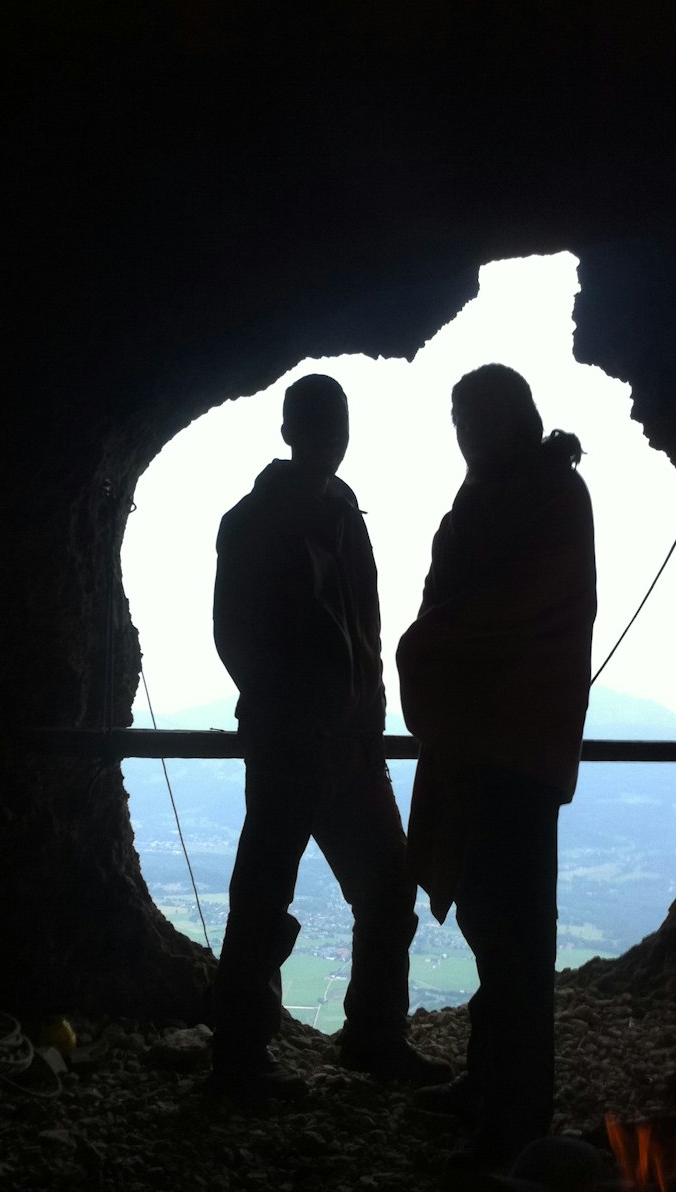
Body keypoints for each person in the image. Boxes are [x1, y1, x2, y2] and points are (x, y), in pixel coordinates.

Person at [206, 373, 451, 1104]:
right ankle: (248, 1058)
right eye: (319, 424)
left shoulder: (340, 516)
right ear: (289, 431)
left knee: (380, 883)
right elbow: (236, 637)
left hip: (341, 738)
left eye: (336, 424)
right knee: (267, 894)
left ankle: (362, 1037)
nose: (329, 439)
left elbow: (351, 628)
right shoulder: (256, 521)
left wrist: (361, 706)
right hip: (296, 738)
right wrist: (299, 707)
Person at [396, 364, 597, 1171]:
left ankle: (517, 1118)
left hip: (514, 744)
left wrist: (427, 641)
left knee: (515, 934)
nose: (465, 433)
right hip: (483, 742)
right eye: (457, 419)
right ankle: (489, 1084)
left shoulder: (551, 497)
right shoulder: (500, 494)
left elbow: (520, 601)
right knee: (490, 923)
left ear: (512, 419)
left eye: (475, 417)